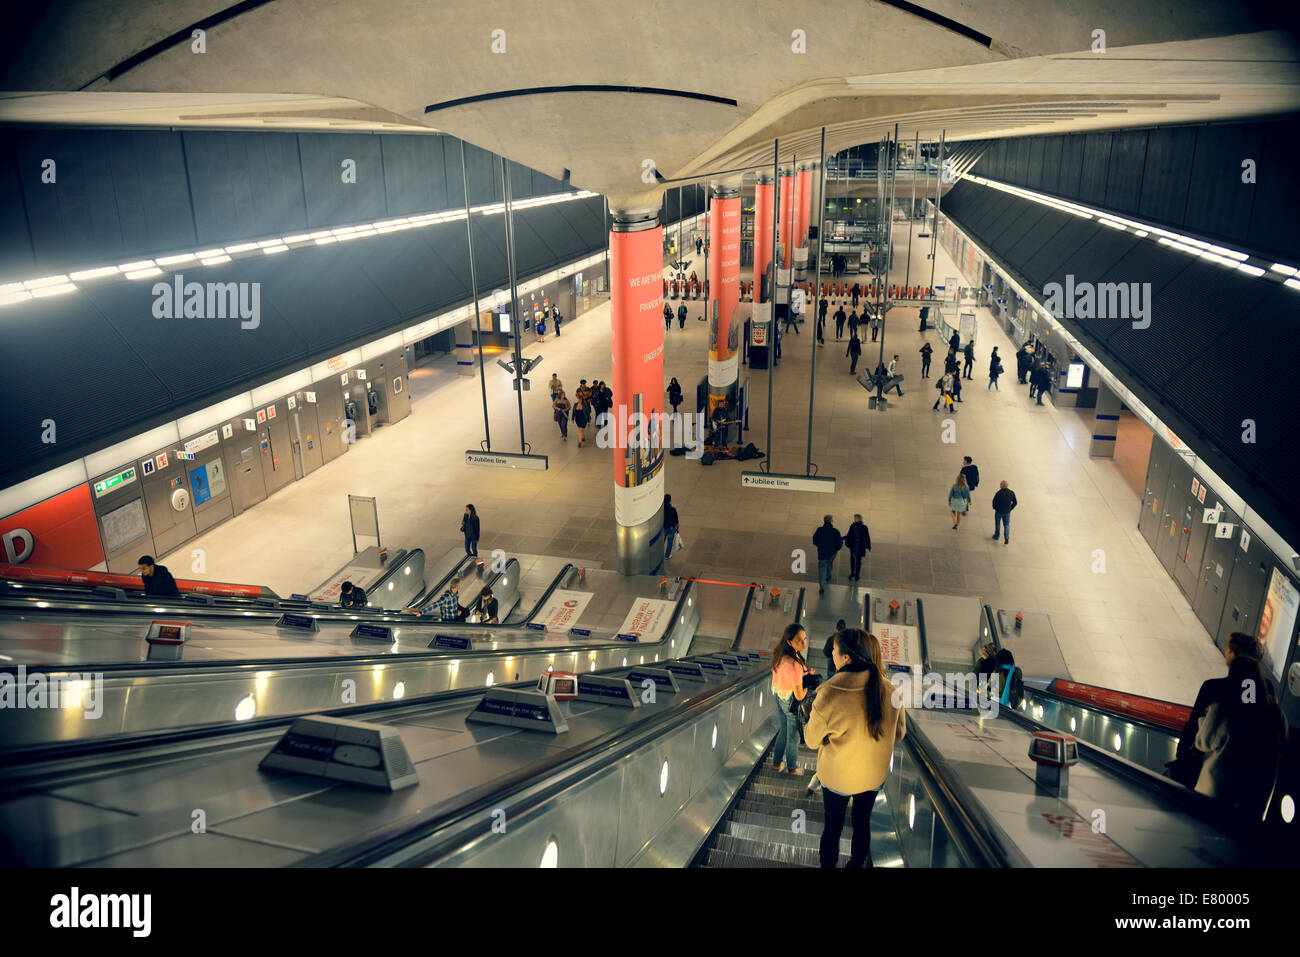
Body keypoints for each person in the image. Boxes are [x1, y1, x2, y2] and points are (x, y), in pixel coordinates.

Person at [803, 628, 905, 868]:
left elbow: (811, 740)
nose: (833, 656)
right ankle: (856, 863)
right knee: (862, 822)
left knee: (833, 827)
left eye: (835, 652)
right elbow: (899, 733)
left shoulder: (829, 693)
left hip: (838, 777)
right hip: (872, 777)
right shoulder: (891, 690)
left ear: (846, 657)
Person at [1168, 633, 1266, 788]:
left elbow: (1198, 733)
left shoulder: (1214, 689)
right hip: (1244, 781)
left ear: (1233, 656)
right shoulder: (1265, 697)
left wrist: (1182, 754)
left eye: (1228, 650)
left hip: (1206, 774)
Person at [1194, 653, 1285, 820]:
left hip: (1218, 790)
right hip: (1255, 792)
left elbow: (1203, 742)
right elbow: (1281, 742)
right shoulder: (1274, 712)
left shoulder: (1225, 707)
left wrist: (1204, 718)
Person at [770, 623, 814, 775]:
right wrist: (808, 685)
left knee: (784, 730)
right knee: (792, 736)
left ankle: (776, 764)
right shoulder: (794, 664)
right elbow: (800, 695)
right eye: (799, 640)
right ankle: (792, 768)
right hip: (791, 702)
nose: (803, 643)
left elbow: (786, 676)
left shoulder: (780, 656)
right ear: (789, 641)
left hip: (779, 696)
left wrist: (806, 673)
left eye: (805, 639)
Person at [813, 515, 843, 594]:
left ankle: (822, 586)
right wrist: (835, 549)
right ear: (831, 521)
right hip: (832, 553)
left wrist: (819, 546)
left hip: (822, 553)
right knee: (829, 563)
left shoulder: (819, 530)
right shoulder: (835, 531)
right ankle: (828, 575)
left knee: (822, 569)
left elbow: (814, 540)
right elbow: (839, 544)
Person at [845, 514, 871, 580]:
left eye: (855, 518)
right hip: (859, 547)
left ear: (857, 519)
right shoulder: (863, 527)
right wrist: (868, 546)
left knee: (854, 561)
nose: (854, 519)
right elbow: (867, 537)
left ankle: (853, 574)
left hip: (854, 546)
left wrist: (869, 545)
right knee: (858, 561)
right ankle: (856, 575)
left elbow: (849, 535)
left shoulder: (853, 526)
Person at [991, 480, 1017, 544]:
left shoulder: (999, 493)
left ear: (1002, 485)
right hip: (1007, 511)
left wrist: (995, 508)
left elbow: (994, 502)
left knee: (998, 523)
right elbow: (1015, 502)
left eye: (1000, 484)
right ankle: (1006, 536)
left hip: (999, 511)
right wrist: (1010, 508)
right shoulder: (1011, 493)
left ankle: (997, 536)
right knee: (1006, 524)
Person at [663, 493, 680, 559]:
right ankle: (667, 555)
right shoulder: (673, 509)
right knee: (669, 543)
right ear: (670, 501)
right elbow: (676, 520)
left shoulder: (662, 510)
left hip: (664, 528)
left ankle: (658, 554)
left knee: (661, 541)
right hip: (671, 528)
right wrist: (677, 528)